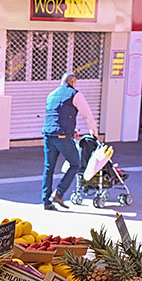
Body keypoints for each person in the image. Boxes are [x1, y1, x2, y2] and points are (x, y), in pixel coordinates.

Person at [40, 72, 99, 211]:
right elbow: (87, 115)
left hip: (48, 135)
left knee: (49, 168)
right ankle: (59, 193)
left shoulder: (51, 94)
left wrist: (72, 130)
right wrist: (94, 132)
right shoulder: (75, 94)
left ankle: (46, 201)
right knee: (75, 164)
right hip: (62, 137)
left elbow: (57, 116)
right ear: (72, 82)